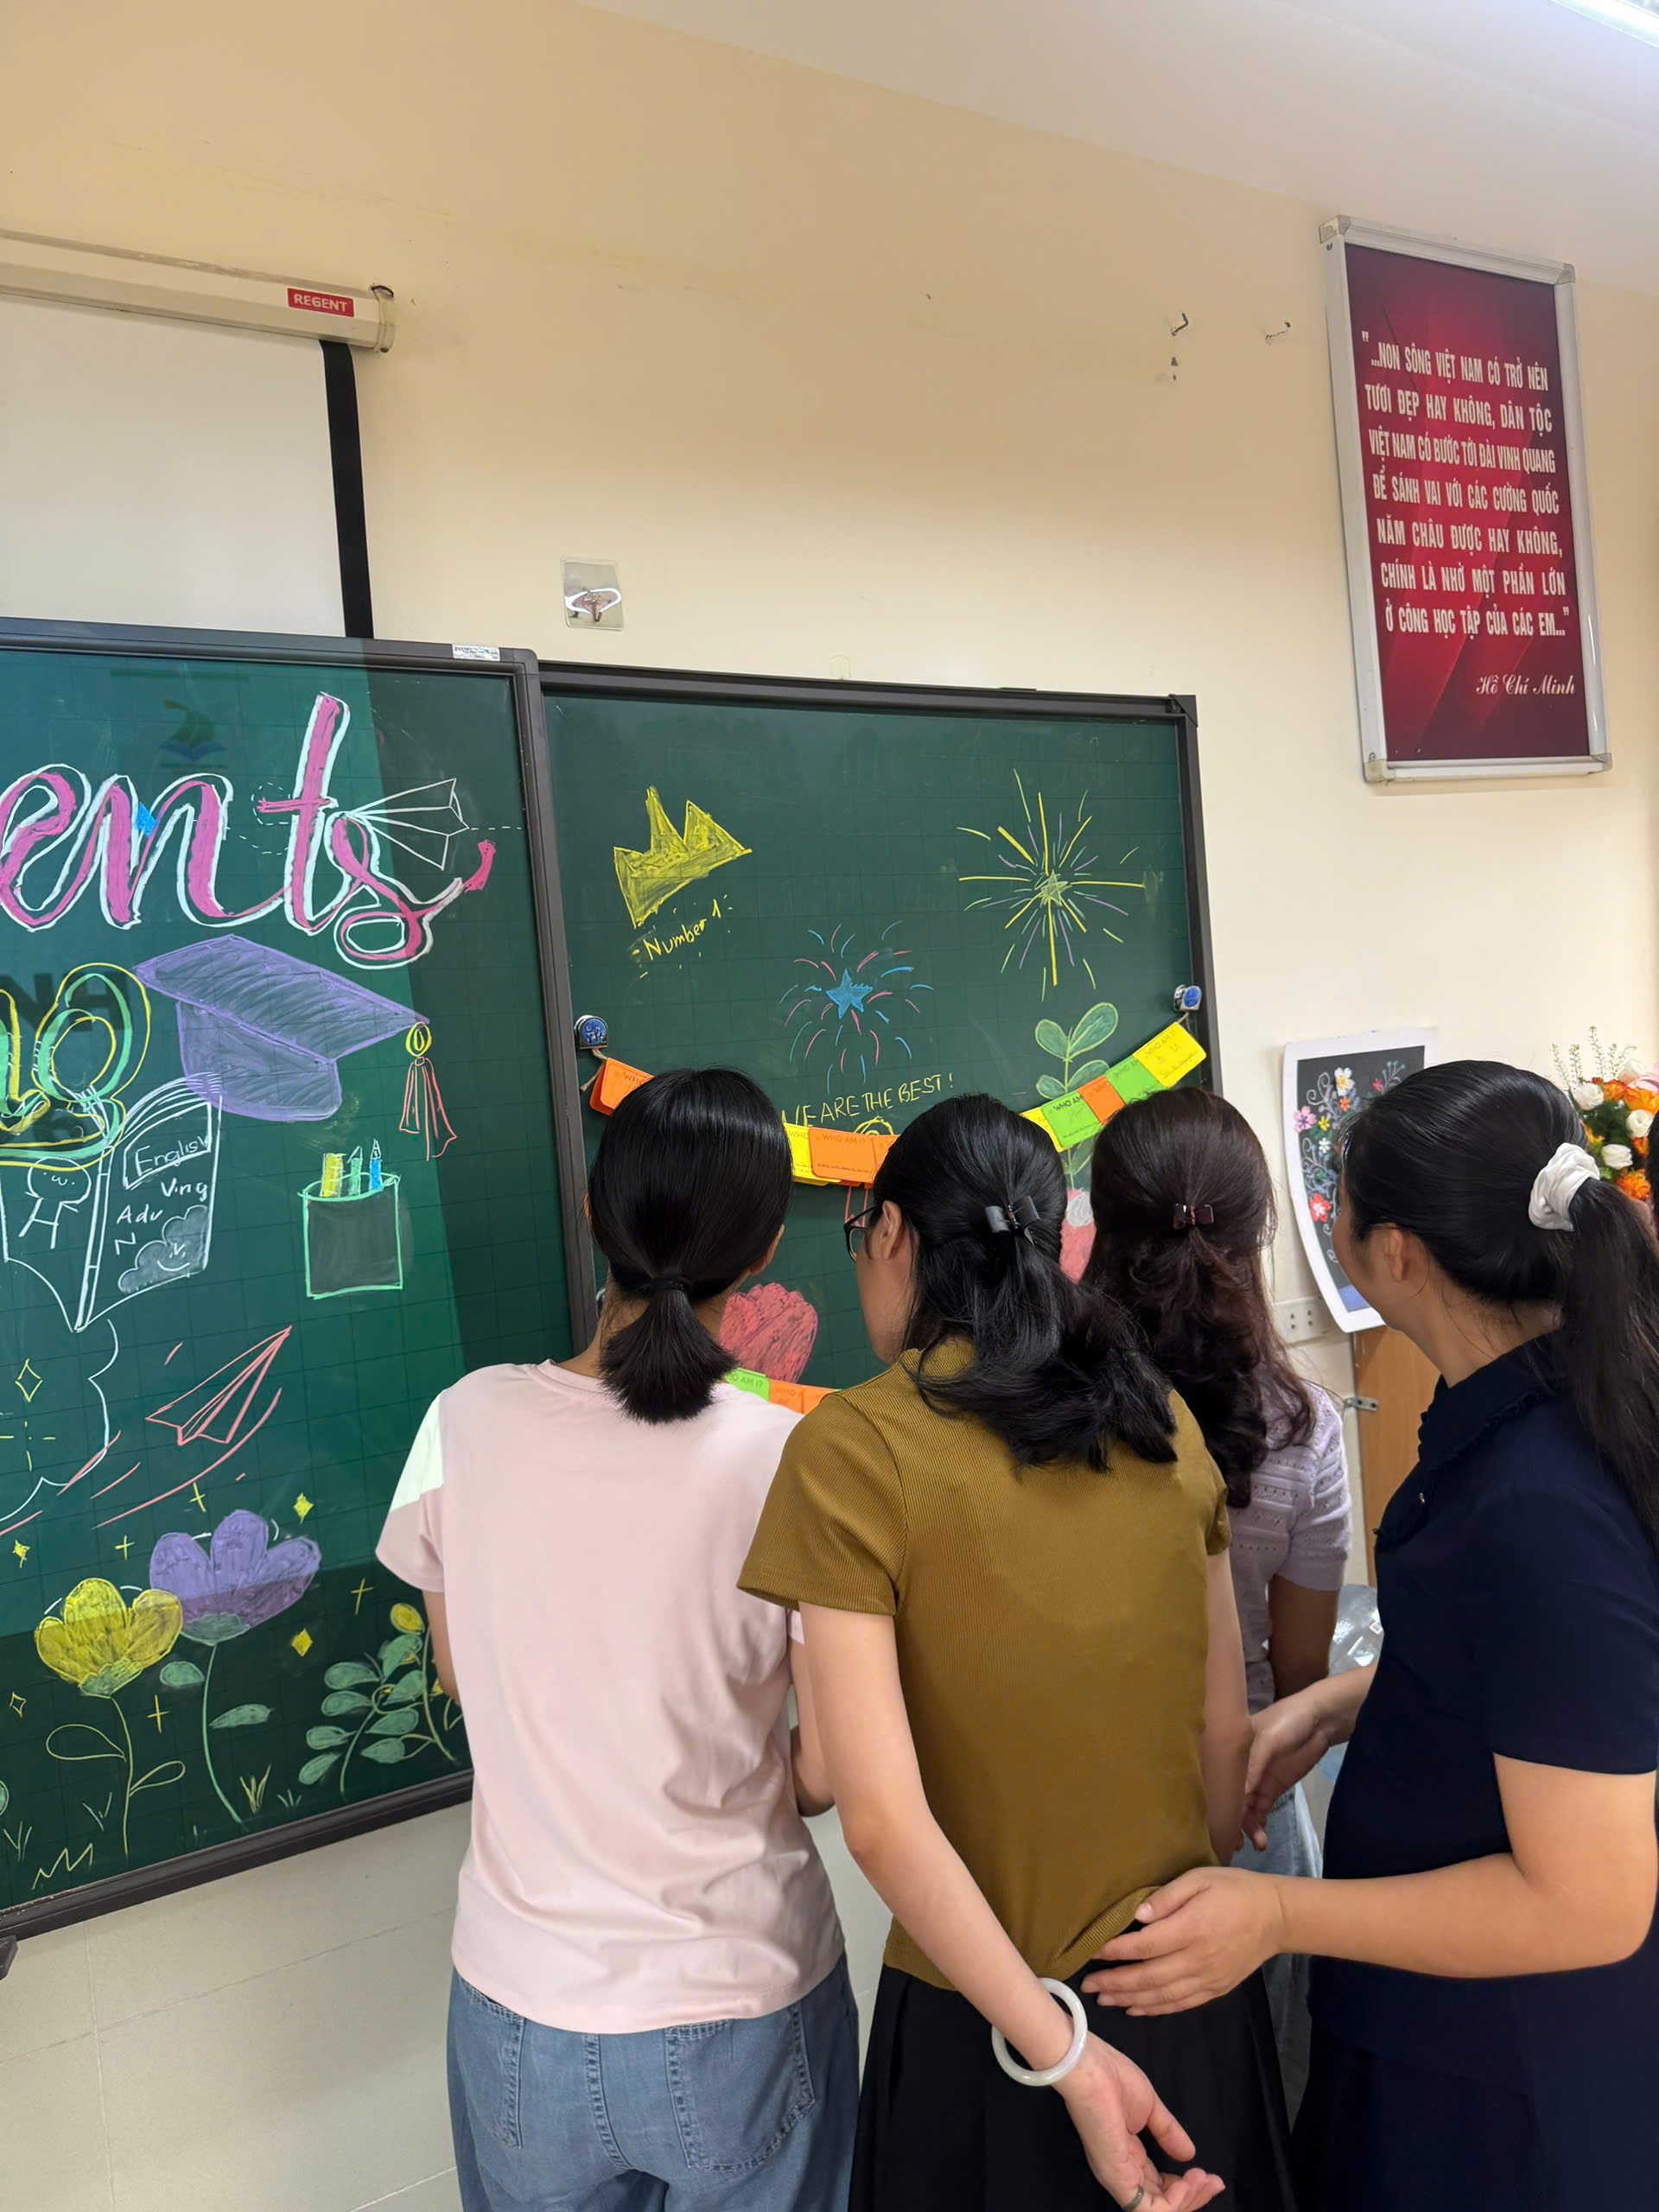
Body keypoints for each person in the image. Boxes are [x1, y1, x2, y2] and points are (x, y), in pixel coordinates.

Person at [1085, 1062, 1659, 2209]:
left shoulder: (1542, 1508)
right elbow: (1549, 1683)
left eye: (1337, 1205)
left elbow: (1590, 1899)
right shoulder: (1527, 1415)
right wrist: (1345, 1703)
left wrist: (1276, 1913)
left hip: (1499, 2085)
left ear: (1395, 1253)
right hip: (1429, 2019)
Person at [740, 1094, 1297, 2212]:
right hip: (1188, 1986)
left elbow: (879, 1819)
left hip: (993, 2029)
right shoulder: (1159, 1417)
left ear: (891, 1233)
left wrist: (1067, 2055)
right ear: (1058, 1240)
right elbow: (1221, 1751)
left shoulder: (853, 1447)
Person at [377, 1068, 855, 2212]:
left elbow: (461, 1676)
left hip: (520, 2014)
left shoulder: (462, 1423)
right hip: (741, 1998)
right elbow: (827, 1773)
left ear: (596, 1213)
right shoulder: (791, 1463)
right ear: (761, 1252)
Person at [1084, 1087, 1351, 2116]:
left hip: (1088, 1807)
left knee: (1115, 2112)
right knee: (1267, 2106)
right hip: (1249, 1805)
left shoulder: (1045, 1420)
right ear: (1257, 1232)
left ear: (1099, 1231)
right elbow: (1301, 1678)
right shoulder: (1302, 1426)